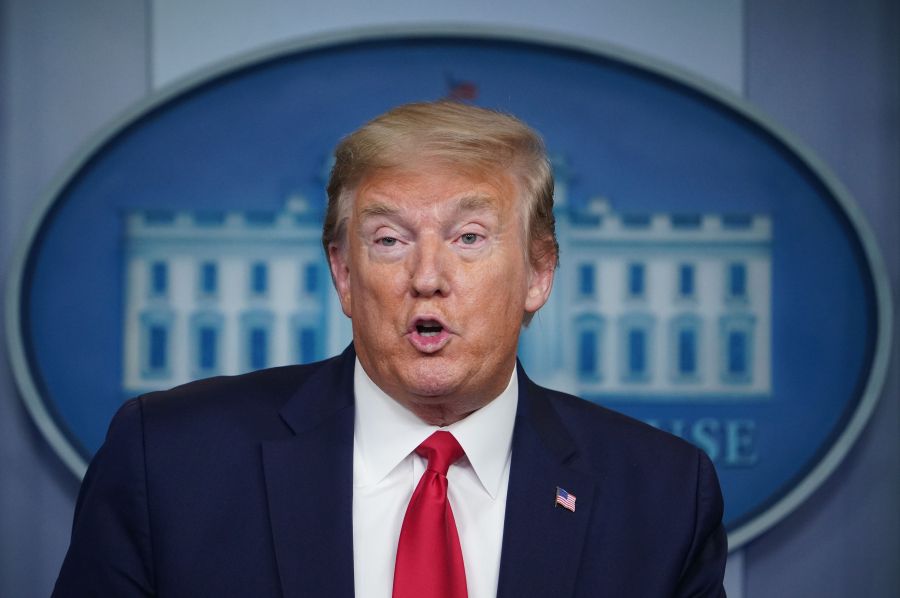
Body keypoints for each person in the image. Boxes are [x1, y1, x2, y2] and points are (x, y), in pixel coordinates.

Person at [53, 101, 727, 597]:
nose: (427, 276)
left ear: (538, 273)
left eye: (469, 237)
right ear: (344, 275)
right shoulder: (168, 461)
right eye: (389, 240)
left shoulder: (664, 495)